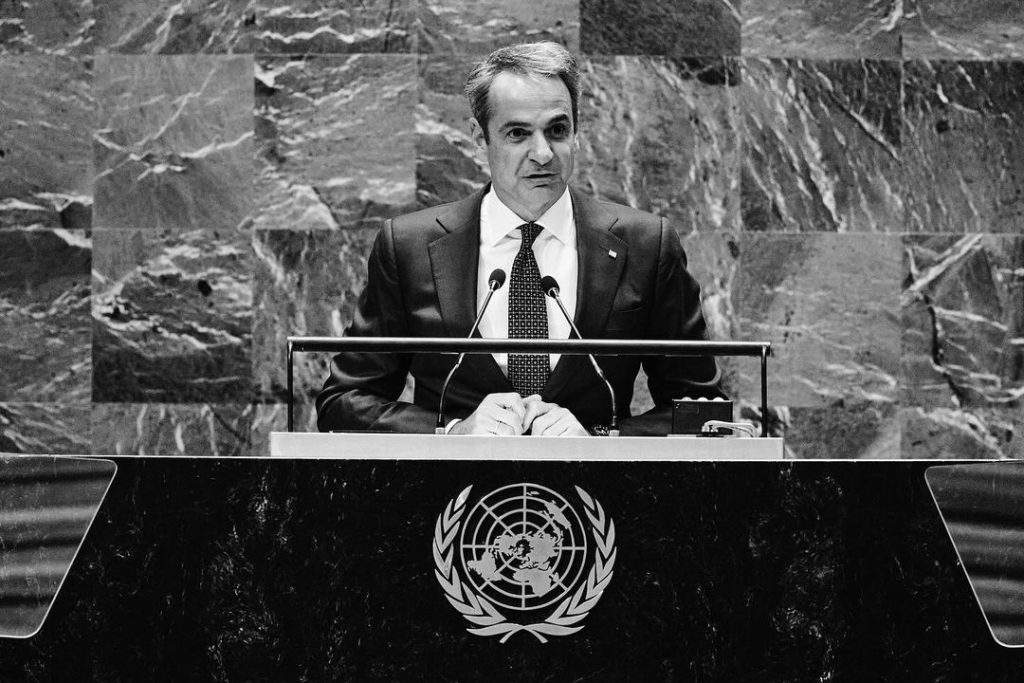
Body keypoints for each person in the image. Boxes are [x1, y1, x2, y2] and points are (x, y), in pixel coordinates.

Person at [316, 41, 722, 436]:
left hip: (597, 481)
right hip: (452, 481)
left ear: (576, 132)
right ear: (479, 138)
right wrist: (451, 432)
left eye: (557, 130)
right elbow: (345, 402)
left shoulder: (647, 244)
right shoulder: (409, 247)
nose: (543, 153)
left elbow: (703, 414)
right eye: (517, 133)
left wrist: (601, 438)